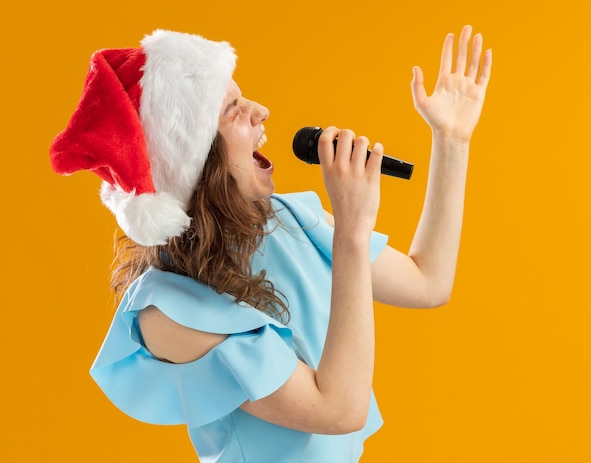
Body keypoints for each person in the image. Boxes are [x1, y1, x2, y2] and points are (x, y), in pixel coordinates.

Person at [49, 25, 491, 463]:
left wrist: (452, 141)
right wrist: (352, 235)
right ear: (194, 158)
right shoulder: (167, 314)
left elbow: (428, 282)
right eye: (233, 110)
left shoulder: (288, 219)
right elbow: (338, 411)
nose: (261, 111)